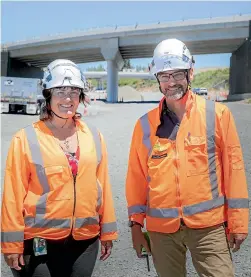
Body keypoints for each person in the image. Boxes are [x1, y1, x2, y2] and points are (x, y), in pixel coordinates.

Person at [125, 39, 249, 277]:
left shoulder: (218, 115)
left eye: (177, 74)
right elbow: (137, 179)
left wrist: (239, 222)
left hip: (209, 228)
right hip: (162, 232)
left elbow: (234, 171)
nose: (171, 82)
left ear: (190, 72)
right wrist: (136, 225)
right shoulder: (144, 125)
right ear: (157, 79)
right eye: (164, 76)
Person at [1, 59, 118, 277]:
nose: (67, 98)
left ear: (81, 96)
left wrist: (108, 231)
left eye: (74, 91)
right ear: (48, 95)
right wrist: (11, 244)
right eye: (60, 91)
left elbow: (103, 186)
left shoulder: (93, 136)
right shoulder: (26, 139)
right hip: (39, 240)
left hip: (85, 240)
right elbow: (12, 196)